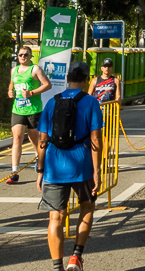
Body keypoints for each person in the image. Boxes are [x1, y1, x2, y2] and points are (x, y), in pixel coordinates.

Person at [36, 62, 104, 271]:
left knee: (55, 216)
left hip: (54, 165)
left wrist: (40, 170)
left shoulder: (52, 103)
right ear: (86, 79)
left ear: (67, 79)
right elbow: (95, 140)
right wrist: (97, 170)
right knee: (87, 207)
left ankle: (57, 267)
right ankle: (76, 256)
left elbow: (42, 139)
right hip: (82, 164)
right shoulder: (91, 102)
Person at [7, 45, 52, 185]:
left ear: (30, 56)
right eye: (21, 54)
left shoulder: (35, 69)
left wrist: (32, 93)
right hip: (18, 109)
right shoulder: (14, 70)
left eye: (26, 55)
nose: (23, 57)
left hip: (33, 110)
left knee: (35, 139)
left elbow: (47, 85)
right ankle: (14, 172)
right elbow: (11, 84)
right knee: (17, 138)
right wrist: (10, 91)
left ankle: (40, 160)